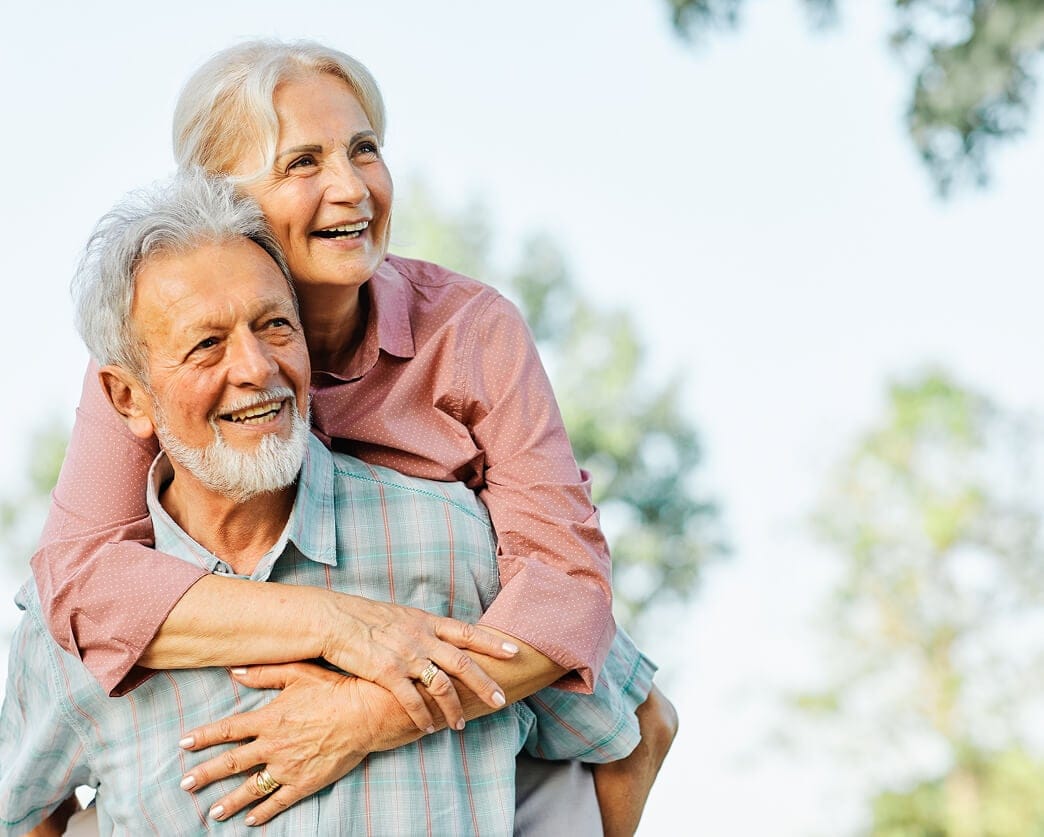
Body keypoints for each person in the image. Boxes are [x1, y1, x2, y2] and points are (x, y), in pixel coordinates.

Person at [30, 39, 677, 833]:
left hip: (458, 654)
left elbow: (569, 588)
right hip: (309, 631)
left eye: (364, 149)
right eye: (303, 161)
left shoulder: (469, 328)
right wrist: (342, 625)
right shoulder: (159, 345)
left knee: (639, 719)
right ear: (217, 198)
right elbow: (81, 582)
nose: (351, 187)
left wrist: (363, 717)